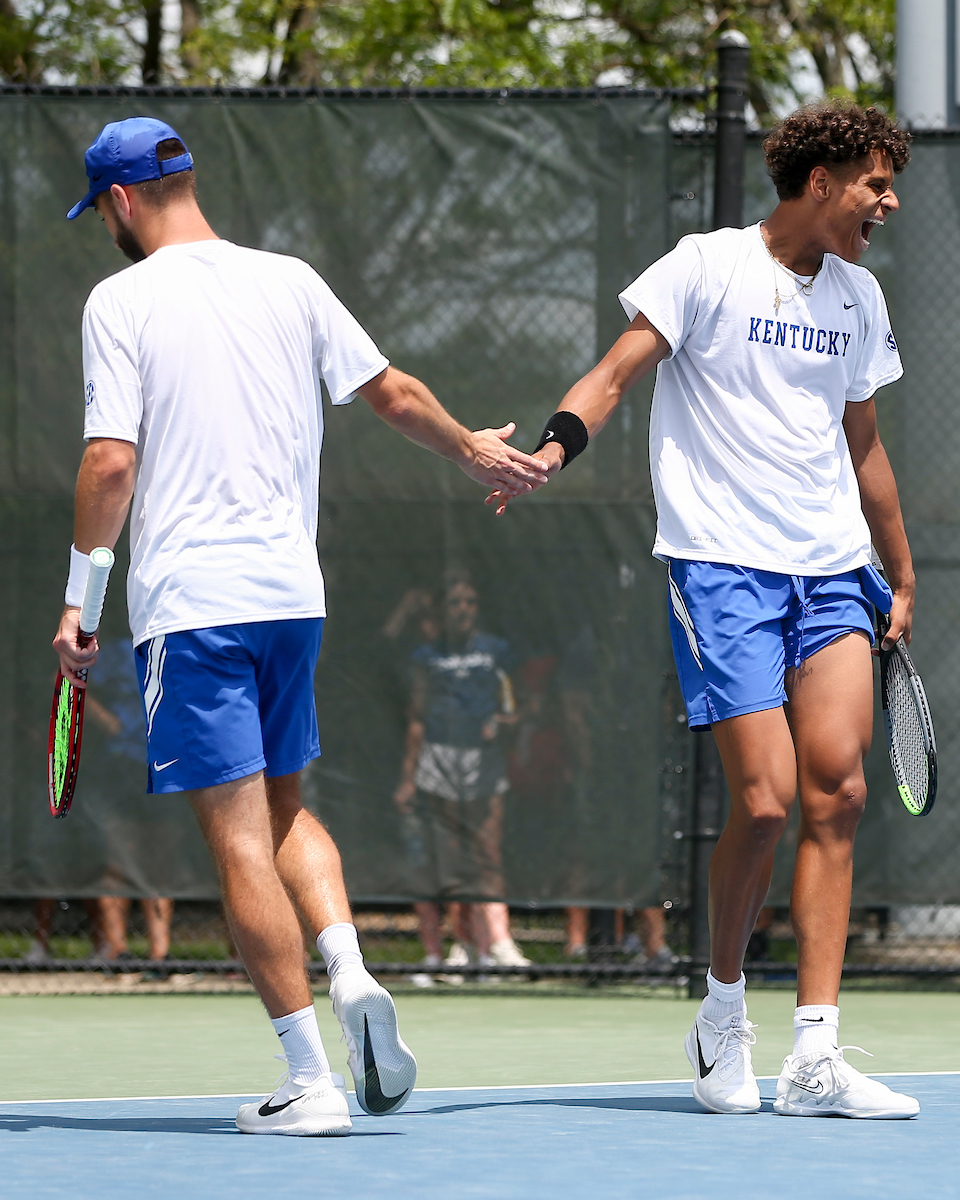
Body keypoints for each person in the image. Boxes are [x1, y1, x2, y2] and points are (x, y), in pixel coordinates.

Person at [53, 116, 547, 1137]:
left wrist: (78, 601)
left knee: (235, 838)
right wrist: (474, 453)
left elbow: (110, 463)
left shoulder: (120, 300)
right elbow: (396, 395)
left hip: (196, 607)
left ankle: (308, 1078)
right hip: (291, 599)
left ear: (118, 202)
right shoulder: (292, 280)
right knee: (285, 810)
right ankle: (353, 972)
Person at [489, 100, 920, 1119]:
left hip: (831, 571)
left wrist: (899, 575)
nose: (888, 202)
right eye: (874, 183)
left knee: (841, 795)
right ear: (820, 184)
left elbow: (864, 445)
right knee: (764, 801)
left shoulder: (859, 299)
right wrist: (551, 449)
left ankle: (816, 1056)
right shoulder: (707, 265)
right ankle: (723, 1012)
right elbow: (615, 373)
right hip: (720, 566)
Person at [393, 573, 531, 983]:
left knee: (487, 850)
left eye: (470, 602)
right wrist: (407, 776)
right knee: (451, 859)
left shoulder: (496, 652)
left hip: (484, 762)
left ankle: (500, 943)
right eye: (455, 603)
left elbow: (520, 704)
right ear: (441, 611)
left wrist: (505, 723)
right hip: (438, 761)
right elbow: (416, 717)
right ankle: (465, 945)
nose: (464, 609)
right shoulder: (425, 657)